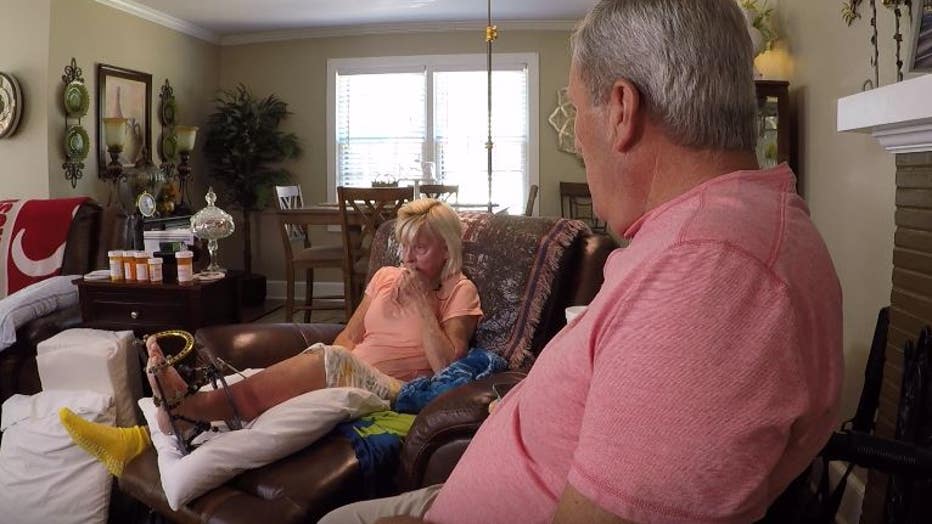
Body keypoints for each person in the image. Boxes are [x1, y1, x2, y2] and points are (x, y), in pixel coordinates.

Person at [321, 1, 844, 523]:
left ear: (621, 109)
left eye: (575, 111)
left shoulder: (709, 275)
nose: (574, 137)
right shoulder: (715, 232)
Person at [59, 198, 483, 476]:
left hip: (394, 390)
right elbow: (348, 338)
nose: (408, 259)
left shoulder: (458, 290)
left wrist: (423, 306)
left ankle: (193, 406)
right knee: (293, 370)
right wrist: (321, 375)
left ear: (446, 249)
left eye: (420, 250)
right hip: (349, 373)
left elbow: (449, 366)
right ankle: (138, 439)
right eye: (404, 248)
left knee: (324, 363)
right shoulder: (387, 276)